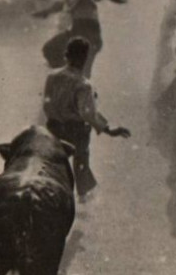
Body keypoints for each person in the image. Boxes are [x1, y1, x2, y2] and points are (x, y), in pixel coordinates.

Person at [43, 35, 130, 197]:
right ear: (85, 58)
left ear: (66, 55)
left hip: (53, 128)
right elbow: (87, 113)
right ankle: (84, 194)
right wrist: (108, 129)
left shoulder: (52, 76)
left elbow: (46, 105)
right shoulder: (83, 84)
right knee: (81, 160)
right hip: (74, 132)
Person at [36, 0, 128, 75]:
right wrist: (46, 11)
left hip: (87, 31)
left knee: (80, 69)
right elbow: (62, 2)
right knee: (50, 49)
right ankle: (66, 74)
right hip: (80, 30)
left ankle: (68, 75)